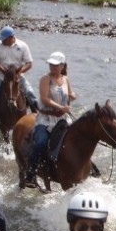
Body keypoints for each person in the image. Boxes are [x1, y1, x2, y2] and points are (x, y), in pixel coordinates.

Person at [25, 51, 76, 187]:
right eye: (51, 64)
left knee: (78, 139)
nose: (52, 67)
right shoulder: (45, 79)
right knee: (41, 142)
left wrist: (72, 96)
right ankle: (30, 174)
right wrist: (60, 107)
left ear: (62, 65)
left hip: (63, 118)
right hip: (46, 119)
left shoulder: (66, 79)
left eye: (55, 65)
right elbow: (45, 99)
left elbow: (70, 94)